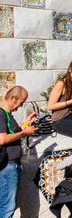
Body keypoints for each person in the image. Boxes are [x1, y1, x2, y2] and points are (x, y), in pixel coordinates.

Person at [0, 86, 37, 218]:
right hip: (7, 167)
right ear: (13, 98)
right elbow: (2, 139)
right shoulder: (1, 114)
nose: (20, 107)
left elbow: (11, 132)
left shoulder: (7, 115)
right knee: (7, 207)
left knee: (6, 205)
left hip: (10, 166)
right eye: (20, 103)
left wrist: (25, 125)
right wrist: (24, 133)